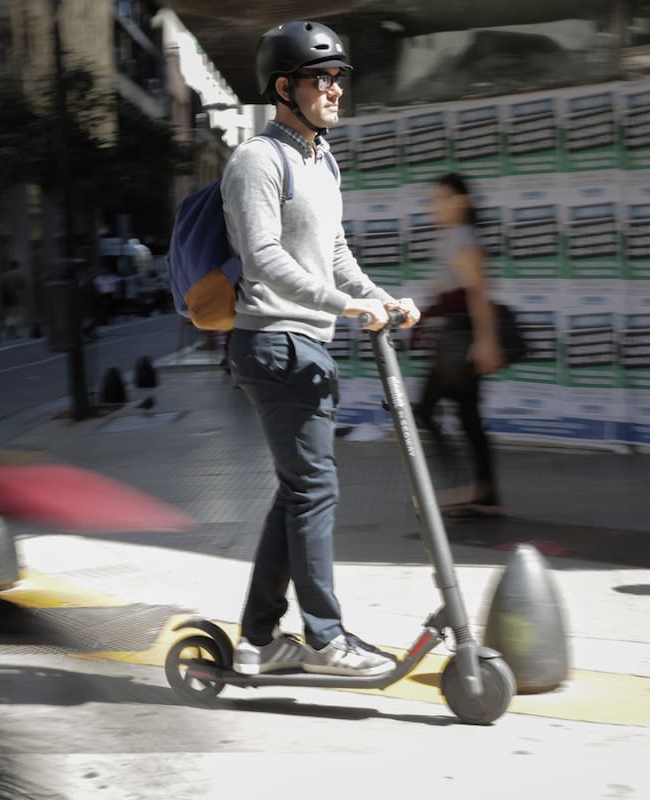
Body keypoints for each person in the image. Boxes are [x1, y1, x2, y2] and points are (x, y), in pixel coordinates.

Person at [221, 20, 421, 677]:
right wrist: (343, 306)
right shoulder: (259, 159)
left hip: (307, 344)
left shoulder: (320, 158)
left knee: (297, 492)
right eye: (320, 78)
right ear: (283, 87)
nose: (335, 88)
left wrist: (380, 296)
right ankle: (325, 639)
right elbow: (264, 256)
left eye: (338, 77)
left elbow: (333, 254)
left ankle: (257, 639)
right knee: (315, 489)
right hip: (274, 342)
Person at [414, 173, 504, 518]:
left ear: (461, 202)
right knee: (469, 418)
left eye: (441, 199)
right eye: (432, 199)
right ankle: (485, 493)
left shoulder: (462, 237)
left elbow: (478, 294)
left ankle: (465, 487)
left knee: (426, 408)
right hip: (455, 336)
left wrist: (486, 342)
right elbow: (447, 290)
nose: (434, 206)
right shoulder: (450, 237)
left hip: (460, 339)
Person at [0, 260, 26, 338]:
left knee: (9, 315)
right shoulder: (19, 275)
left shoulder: (5, 275)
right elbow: (23, 286)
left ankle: (10, 330)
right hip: (17, 298)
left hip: (8, 298)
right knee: (18, 315)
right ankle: (18, 333)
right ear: (16, 266)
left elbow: (2, 287)